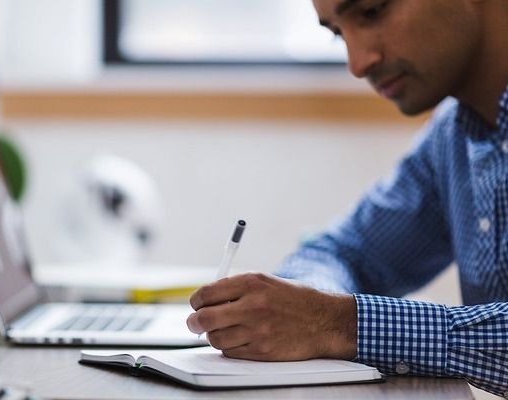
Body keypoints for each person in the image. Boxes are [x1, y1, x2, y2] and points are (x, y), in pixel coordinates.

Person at [186, 0, 508, 396]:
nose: (358, 64)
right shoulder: (453, 136)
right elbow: (345, 252)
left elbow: (334, 316)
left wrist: (338, 323)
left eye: (372, 12)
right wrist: (300, 307)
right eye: (338, 33)